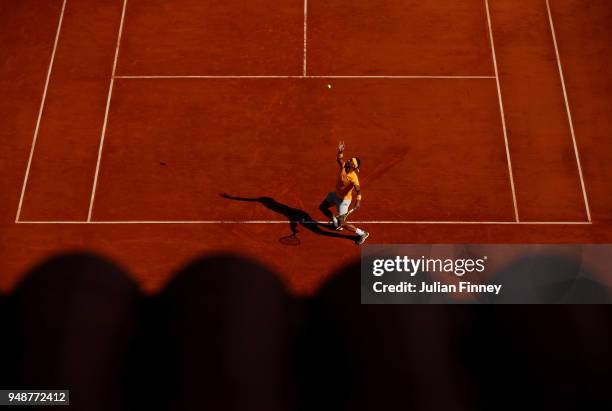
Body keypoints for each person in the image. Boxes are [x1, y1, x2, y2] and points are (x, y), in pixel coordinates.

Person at [319, 141, 369, 245]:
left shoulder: (354, 178)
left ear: (353, 166)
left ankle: (362, 233)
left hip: (344, 201)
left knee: (342, 223)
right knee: (323, 207)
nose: (349, 160)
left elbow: (358, 190)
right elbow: (339, 159)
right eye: (350, 159)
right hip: (335, 195)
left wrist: (358, 201)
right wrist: (340, 151)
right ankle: (334, 220)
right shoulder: (343, 166)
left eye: (351, 161)